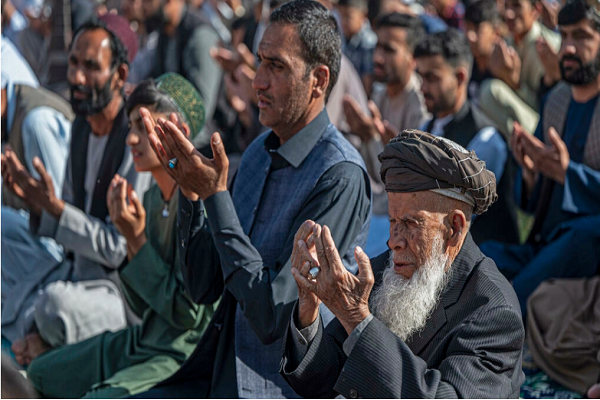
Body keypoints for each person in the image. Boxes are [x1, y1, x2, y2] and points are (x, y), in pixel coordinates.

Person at [137, 1, 371, 397]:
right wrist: (192, 194)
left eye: (276, 67)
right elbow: (203, 286)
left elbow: (272, 318)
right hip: (216, 369)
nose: (258, 80)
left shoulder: (340, 176)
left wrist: (215, 194)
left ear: (318, 80)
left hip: (270, 385)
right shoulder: (260, 152)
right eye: (260, 62)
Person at [280, 130, 525, 399]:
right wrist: (308, 312)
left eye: (410, 224)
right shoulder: (387, 269)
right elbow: (323, 384)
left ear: (454, 227)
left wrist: (356, 319)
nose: (393, 242)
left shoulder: (493, 311)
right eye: (393, 222)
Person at [23, 74, 221, 399]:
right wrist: (132, 240)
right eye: (131, 126)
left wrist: (137, 241)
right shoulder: (152, 200)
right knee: (39, 374)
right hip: (141, 339)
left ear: (178, 130)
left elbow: (187, 317)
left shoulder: (200, 203)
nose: (131, 139)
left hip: (178, 355)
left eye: (143, 127)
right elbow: (143, 308)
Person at [2, 16, 152, 362]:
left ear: (120, 76)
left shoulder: (133, 140)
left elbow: (118, 247)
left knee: (55, 306)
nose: (76, 78)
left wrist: (55, 210)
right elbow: (66, 228)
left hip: (118, 291)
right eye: (72, 63)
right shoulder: (82, 127)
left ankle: (42, 338)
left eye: (90, 67)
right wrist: (36, 204)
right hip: (74, 270)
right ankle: (41, 333)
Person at [480, 0, 600, 318]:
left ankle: (504, 315)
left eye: (583, 37)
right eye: (565, 37)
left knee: (587, 233)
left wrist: (568, 174)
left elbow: (568, 180)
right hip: (546, 243)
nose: (570, 48)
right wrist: (532, 174)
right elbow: (533, 202)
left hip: (587, 244)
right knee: (482, 256)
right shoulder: (555, 100)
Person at [414, 28, 520, 245]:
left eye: (432, 78)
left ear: (460, 77)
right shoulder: (427, 127)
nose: (423, 87)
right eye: (420, 77)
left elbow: (452, 213)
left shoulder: (486, 139)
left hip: (486, 256)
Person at [343, 12, 429, 256]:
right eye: (377, 47)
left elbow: (405, 186)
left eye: (389, 50)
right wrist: (364, 136)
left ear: (413, 59)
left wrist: (372, 139)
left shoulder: (420, 107)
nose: (378, 57)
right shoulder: (380, 95)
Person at [1, 76, 74, 344]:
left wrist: (33, 203)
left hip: (69, 259)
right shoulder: (10, 119)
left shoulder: (37, 121)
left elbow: (61, 219)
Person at [478, 0, 560, 137]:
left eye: (517, 6)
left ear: (535, 11)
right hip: (524, 122)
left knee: (491, 91)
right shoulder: (506, 44)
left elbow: (547, 107)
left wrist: (515, 84)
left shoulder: (550, 47)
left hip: (546, 128)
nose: (509, 14)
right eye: (506, 6)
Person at [147, 0, 222, 149]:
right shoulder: (165, 33)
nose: (142, 7)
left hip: (205, 144)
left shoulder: (200, 35)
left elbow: (199, 111)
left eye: (146, 2)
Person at [464, 0, 502, 103]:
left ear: (496, 32)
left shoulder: (504, 69)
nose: (470, 36)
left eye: (477, 29)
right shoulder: (466, 67)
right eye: (467, 28)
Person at [337, 0, 377, 90]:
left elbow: (367, 80)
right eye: (341, 16)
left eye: (348, 17)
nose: (343, 22)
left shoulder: (368, 43)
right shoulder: (344, 37)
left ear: (363, 16)